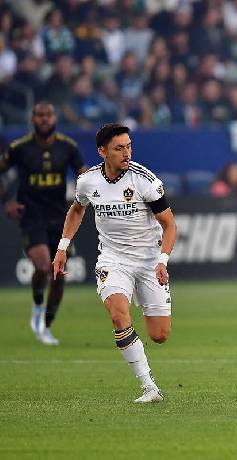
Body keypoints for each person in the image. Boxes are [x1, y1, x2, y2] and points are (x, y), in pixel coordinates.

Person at [52, 123, 177, 403]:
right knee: (119, 316)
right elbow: (76, 209)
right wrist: (62, 247)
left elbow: (169, 225)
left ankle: (145, 305)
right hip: (113, 259)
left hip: (148, 262)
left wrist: (162, 261)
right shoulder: (88, 181)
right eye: (119, 148)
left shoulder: (145, 180)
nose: (127, 153)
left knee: (159, 335)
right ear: (102, 152)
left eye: (129, 146)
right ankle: (149, 388)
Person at [0, 102, 87, 345]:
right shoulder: (19, 148)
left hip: (60, 216)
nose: (45, 119)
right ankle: (38, 305)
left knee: (58, 274)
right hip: (31, 215)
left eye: (48, 115)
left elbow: (84, 173)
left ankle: (46, 325)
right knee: (42, 265)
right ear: (32, 119)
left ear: (55, 118)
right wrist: (7, 200)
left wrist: (86, 194)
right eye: (40, 115)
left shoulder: (68, 147)